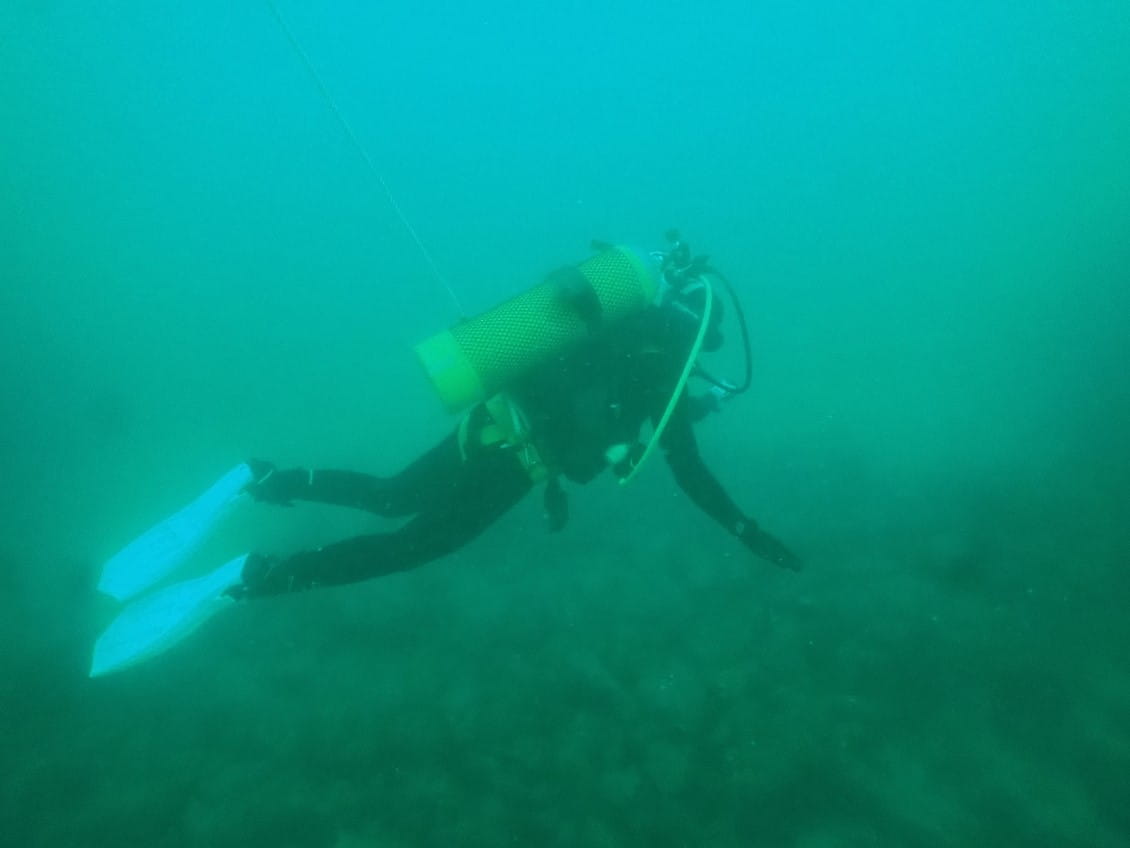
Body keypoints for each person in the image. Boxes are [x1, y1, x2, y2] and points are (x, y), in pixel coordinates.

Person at [226, 236, 801, 600]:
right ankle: (277, 577)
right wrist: (744, 528)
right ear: (696, 336)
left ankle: (274, 481)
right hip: (518, 463)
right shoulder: (658, 377)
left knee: (390, 496)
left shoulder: (614, 332)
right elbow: (686, 467)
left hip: (488, 424)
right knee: (411, 546)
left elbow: (591, 400)